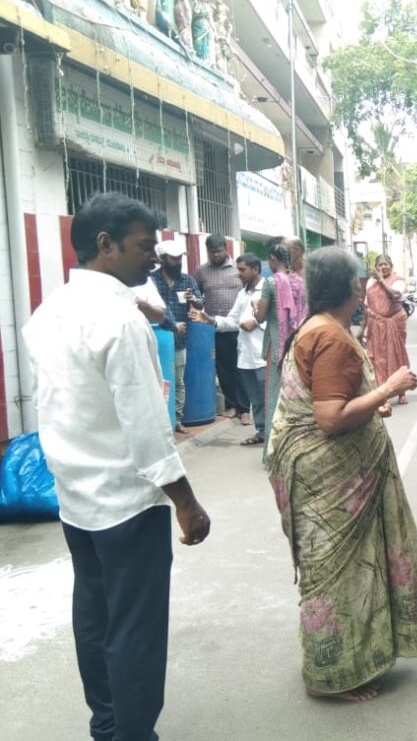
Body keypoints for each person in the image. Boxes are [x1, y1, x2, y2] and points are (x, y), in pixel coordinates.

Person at [22, 192, 210, 741]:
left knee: (95, 616)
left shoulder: (50, 309)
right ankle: (131, 733)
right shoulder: (119, 319)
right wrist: (186, 503)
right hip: (126, 501)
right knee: (135, 627)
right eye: (145, 246)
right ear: (106, 245)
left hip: (77, 498)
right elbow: (147, 428)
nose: (153, 258)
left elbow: (60, 402)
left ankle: (107, 724)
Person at [267, 247, 417, 702]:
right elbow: (329, 417)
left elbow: (331, 400)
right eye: (360, 280)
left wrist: (371, 402)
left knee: (342, 571)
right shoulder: (332, 338)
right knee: (337, 574)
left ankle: (352, 658)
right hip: (332, 477)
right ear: (347, 288)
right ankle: (333, 676)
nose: (365, 287)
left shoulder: (318, 328)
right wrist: (389, 387)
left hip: (327, 473)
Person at [191, 253, 268, 447]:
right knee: (256, 399)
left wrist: (258, 322)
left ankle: (276, 437)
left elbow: (278, 318)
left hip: (263, 355)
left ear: (255, 269)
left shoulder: (268, 288)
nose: (237, 273)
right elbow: (233, 321)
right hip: (246, 355)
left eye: (242, 270)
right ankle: (262, 432)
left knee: (269, 398)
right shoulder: (243, 293)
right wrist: (210, 320)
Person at [256, 241, 308, 455]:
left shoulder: (270, 283)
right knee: (294, 394)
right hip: (296, 344)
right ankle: (295, 445)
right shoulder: (300, 282)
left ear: (272, 260)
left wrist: (255, 309)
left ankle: (273, 450)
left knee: (274, 397)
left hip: (276, 347)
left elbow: (260, 316)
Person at [195, 234, 249, 422]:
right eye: (211, 252)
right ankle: (232, 405)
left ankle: (245, 409)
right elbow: (198, 296)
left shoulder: (238, 269)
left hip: (238, 326)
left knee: (240, 367)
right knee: (223, 369)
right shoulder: (201, 271)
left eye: (218, 251)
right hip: (215, 328)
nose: (215, 255)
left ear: (226, 249)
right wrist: (196, 302)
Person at [151, 237, 202, 434]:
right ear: (163, 259)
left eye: (180, 258)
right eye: (174, 259)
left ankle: (177, 419)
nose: (178, 262)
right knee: (157, 379)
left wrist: (194, 300)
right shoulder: (151, 281)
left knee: (178, 380)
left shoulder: (187, 281)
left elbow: (200, 303)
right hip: (158, 338)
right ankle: (161, 421)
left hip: (180, 339)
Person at [363, 254, 412, 407]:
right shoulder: (370, 282)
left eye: (385, 264)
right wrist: (362, 328)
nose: (383, 267)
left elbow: (395, 295)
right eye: (380, 264)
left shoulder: (398, 281)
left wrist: (381, 281)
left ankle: (401, 391)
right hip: (375, 323)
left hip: (393, 322)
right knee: (376, 358)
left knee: (396, 356)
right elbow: (366, 305)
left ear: (391, 266)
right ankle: (381, 393)